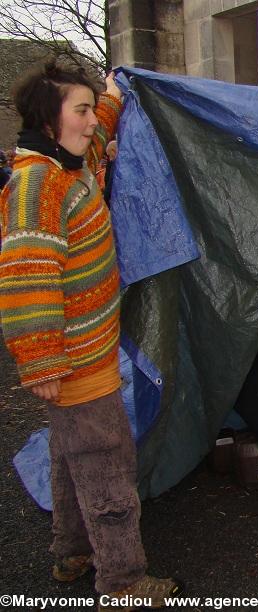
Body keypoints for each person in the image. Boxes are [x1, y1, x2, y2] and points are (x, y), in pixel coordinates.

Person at [0, 61, 181, 611]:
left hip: (86, 353)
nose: (90, 121)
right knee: (106, 462)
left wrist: (109, 98)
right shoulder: (38, 186)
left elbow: (97, 136)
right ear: (48, 121)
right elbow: (26, 282)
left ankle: (71, 552)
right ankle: (122, 582)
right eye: (79, 111)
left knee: (68, 454)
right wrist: (41, 362)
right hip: (74, 362)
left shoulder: (67, 165)